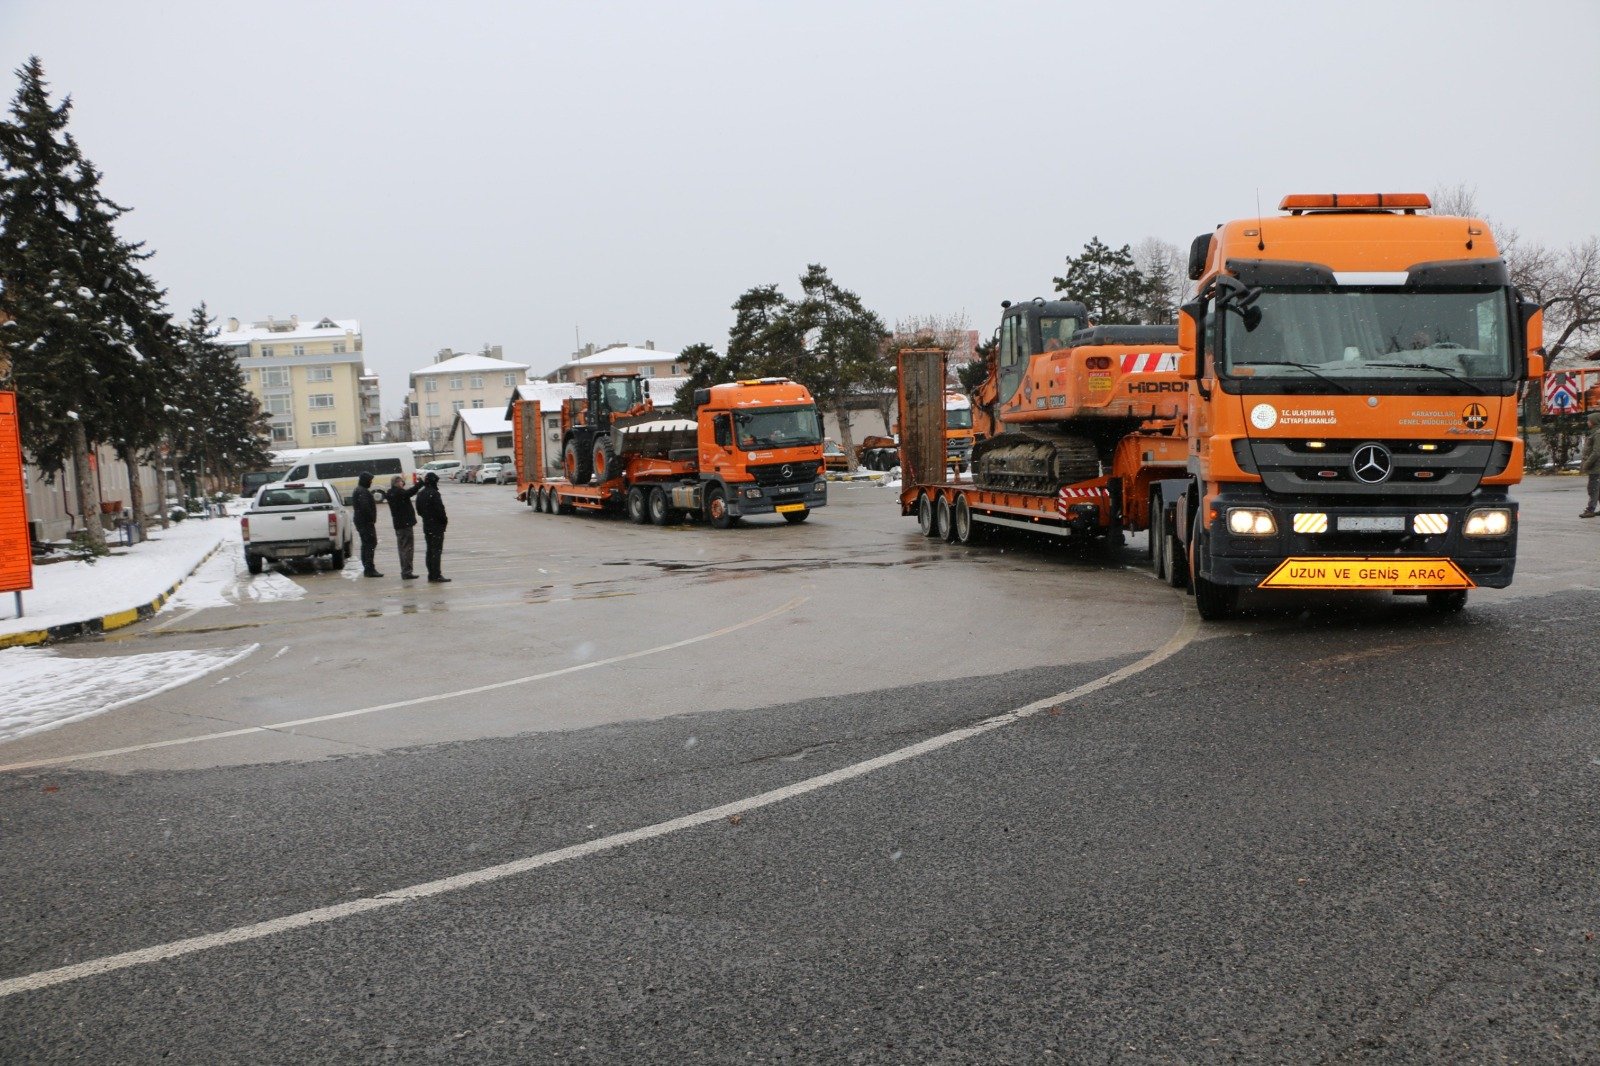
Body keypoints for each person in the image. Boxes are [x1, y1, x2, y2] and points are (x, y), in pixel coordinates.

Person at [415, 471, 451, 582]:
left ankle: (431, 574)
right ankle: (436, 575)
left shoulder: (421, 493)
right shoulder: (434, 494)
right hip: (436, 526)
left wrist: (427, 517)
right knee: (436, 551)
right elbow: (440, 511)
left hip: (427, 525)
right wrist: (444, 521)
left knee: (430, 550)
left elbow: (419, 510)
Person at [386, 475, 422, 579]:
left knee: (402, 548)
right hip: (405, 524)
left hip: (398, 524)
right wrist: (420, 484)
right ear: (397, 483)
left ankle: (404, 570)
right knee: (408, 548)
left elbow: (403, 491)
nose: (403, 483)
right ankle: (407, 572)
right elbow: (409, 492)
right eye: (401, 482)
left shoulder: (390, 493)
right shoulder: (399, 493)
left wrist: (403, 481)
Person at [351, 472, 382, 577]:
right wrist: (371, 519)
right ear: (365, 481)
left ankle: (368, 568)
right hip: (365, 523)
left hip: (362, 522)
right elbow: (365, 508)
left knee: (367, 545)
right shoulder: (362, 492)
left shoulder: (360, 490)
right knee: (370, 544)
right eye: (370, 480)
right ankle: (369, 569)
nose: (371, 483)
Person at [1581, 411, 1600, 518]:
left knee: (1592, 488)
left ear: (1594, 421)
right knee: (1598, 489)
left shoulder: (1597, 434)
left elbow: (1596, 452)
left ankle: (1590, 509)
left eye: (1589, 420)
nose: (1587, 422)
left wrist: (1587, 464)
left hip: (1596, 467)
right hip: (1596, 467)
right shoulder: (1595, 432)